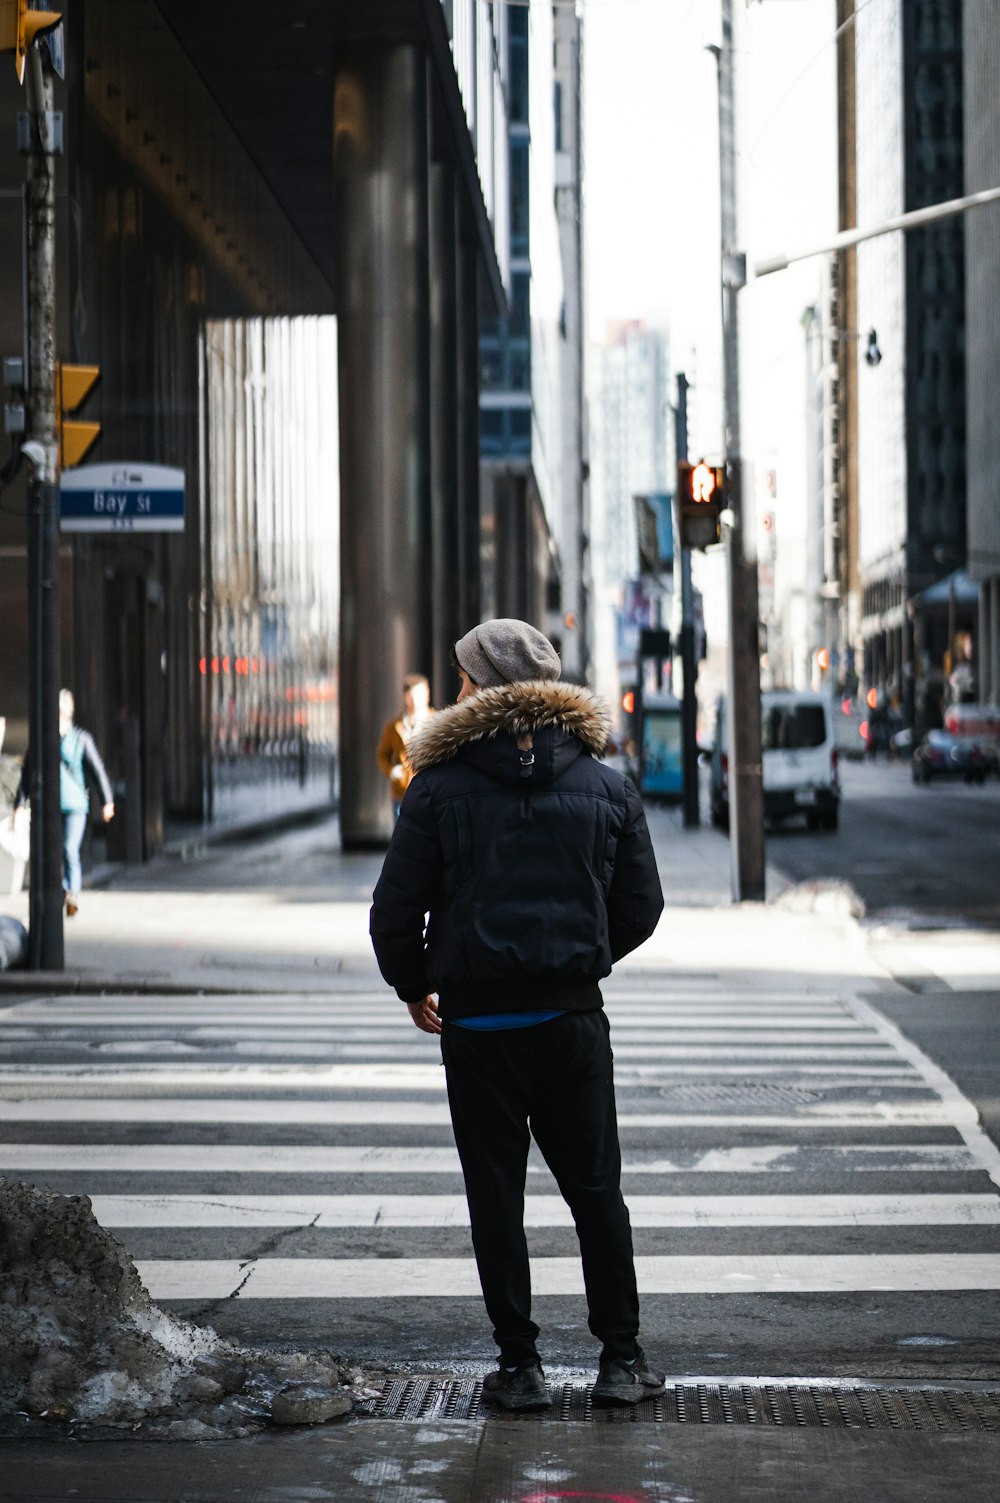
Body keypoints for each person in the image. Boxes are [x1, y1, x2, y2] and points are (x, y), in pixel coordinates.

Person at [370, 619, 665, 1412]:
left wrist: (414, 982)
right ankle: (620, 1360)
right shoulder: (606, 785)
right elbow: (644, 904)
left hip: (479, 1029)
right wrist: (585, 953)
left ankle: (521, 1366)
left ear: (482, 687)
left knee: (495, 1195)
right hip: (570, 1020)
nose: (456, 686)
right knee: (596, 1191)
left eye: (465, 675)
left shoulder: (437, 787)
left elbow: (393, 910)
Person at [18, 689, 115, 917]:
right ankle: (58, 891)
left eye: (61, 714)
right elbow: (28, 770)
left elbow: (97, 770)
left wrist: (107, 801)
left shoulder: (80, 738)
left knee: (68, 848)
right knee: (49, 852)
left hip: (75, 807)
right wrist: (20, 802)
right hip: (48, 807)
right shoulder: (43, 739)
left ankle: (72, 893)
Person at [375, 673, 433, 818]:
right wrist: (392, 771)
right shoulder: (394, 726)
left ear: (427, 694)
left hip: (430, 792)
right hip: (402, 793)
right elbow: (382, 755)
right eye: (412, 696)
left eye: (418, 695)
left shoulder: (437, 722)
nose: (415, 700)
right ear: (406, 697)